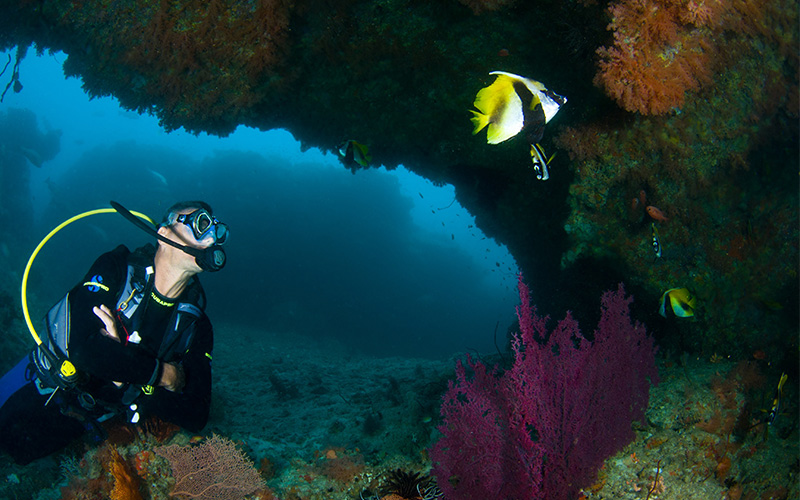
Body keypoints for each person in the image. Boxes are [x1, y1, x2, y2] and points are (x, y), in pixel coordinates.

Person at [0, 201, 228, 465]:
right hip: (36, 384)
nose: (211, 238)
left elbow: (196, 414)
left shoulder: (196, 326)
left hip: (81, 422)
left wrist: (127, 376)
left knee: (15, 462)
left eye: (217, 231)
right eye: (201, 224)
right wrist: (164, 374)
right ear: (164, 234)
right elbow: (83, 350)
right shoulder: (116, 268)